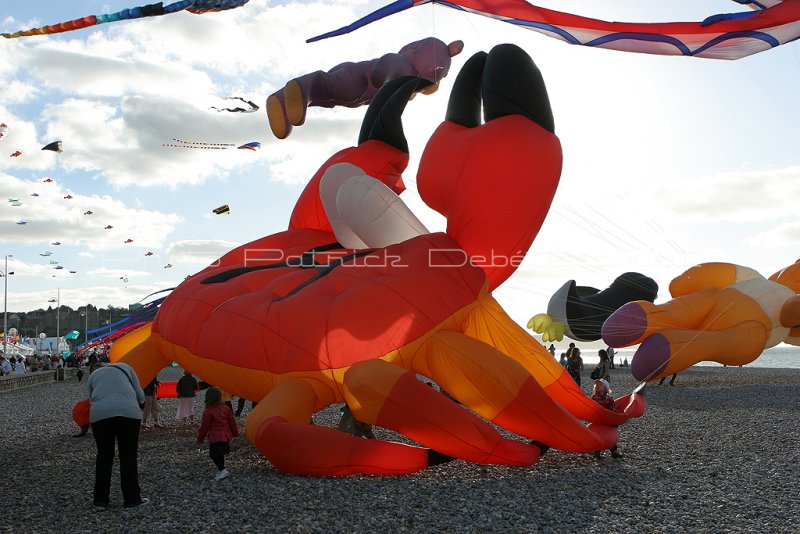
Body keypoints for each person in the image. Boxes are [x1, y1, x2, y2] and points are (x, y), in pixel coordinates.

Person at [87, 362, 148, 509]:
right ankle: (132, 498)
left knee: (104, 456)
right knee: (128, 456)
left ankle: (100, 500)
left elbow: (91, 400)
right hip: (129, 413)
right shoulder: (126, 367)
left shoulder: (92, 376)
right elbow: (140, 395)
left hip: (100, 415)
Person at [197, 387, 239, 481]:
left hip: (216, 437)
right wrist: (235, 434)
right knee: (219, 453)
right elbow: (232, 422)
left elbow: (204, 427)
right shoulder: (226, 408)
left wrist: (200, 439)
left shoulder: (208, 411)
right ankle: (222, 469)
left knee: (214, 454)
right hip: (226, 435)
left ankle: (223, 470)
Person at [590, 379, 623, 459]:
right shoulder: (594, 397)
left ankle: (614, 451)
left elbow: (613, 407)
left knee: (609, 436)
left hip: (607, 421)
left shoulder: (609, 398)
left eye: (600, 385)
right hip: (599, 421)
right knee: (599, 436)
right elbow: (592, 407)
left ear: (605, 388)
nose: (597, 386)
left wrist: (614, 414)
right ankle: (597, 453)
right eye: (596, 385)